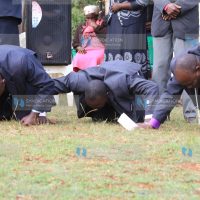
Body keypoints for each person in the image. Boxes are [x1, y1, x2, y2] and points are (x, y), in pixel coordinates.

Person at [53, 60, 158, 122]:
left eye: (97, 106)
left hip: (129, 71)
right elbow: (51, 85)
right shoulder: (77, 81)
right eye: (93, 106)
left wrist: (149, 119)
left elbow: (151, 87)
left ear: (107, 95)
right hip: (106, 74)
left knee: (137, 117)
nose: (94, 108)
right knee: (100, 117)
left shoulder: (124, 82)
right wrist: (38, 111)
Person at [151, 0, 199, 122]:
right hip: (161, 21)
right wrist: (166, 6)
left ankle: (191, 114)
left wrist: (175, 8)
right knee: (159, 69)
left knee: (189, 69)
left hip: (187, 21)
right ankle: (159, 114)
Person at [139, 45, 200, 129]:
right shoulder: (182, 70)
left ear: (198, 68)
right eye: (186, 85)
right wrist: (153, 123)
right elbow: (170, 95)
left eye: (191, 83)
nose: (189, 87)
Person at [0, 45, 56, 126]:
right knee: (4, 116)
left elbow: (47, 84)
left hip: (23, 74)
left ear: (3, 81)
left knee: (24, 116)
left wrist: (36, 113)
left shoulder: (21, 62)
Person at [104, 0, 149, 78]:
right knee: (114, 56)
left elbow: (143, 2)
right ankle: (114, 83)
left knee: (132, 54)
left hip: (133, 23)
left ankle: (134, 85)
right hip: (114, 22)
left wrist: (120, 6)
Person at [72, 5, 106, 72]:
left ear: (97, 16)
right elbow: (75, 42)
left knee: (96, 57)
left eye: (92, 17)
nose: (89, 19)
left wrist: (95, 27)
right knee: (78, 57)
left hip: (100, 49)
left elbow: (106, 37)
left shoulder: (103, 24)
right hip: (85, 50)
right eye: (87, 17)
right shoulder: (81, 26)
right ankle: (82, 76)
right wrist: (78, 47)